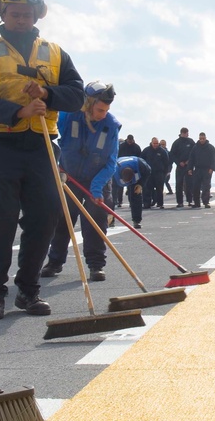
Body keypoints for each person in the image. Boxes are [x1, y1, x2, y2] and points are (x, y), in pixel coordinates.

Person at [0, 0, 85, 320]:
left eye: (27, 14)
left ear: (37, 16)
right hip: (1, 147)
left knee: (45, 218)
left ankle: (29, 291)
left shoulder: (56, 53)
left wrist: (47, 94)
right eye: (14, 13)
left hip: (42, 147)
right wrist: (17, 111)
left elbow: (76, 96)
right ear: (2, 13)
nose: (21, 19)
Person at [40, 81, 119, 282]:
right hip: (69, 177)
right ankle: (55, 262)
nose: (102, 114)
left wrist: (96, 188)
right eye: (99, 109)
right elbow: (49, 136)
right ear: (88, 103)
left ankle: (96, 266)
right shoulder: (68, 116)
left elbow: (111, 163)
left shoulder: (110, 126)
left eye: (106, 110)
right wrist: (57, 164)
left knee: (95, 221)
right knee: (63, 219)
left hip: (98, 180)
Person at [116, 156, 151, 228]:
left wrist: (141, 184)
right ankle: (110, 220)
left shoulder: (142, 166)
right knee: (111, 198)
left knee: (136, 196)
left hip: (136, 171)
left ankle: (136, 221)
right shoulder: (114, 172)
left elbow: (147, 172)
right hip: (119, 172)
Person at [188, 132, 215, 208]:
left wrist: (212, 168)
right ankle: (196, 203)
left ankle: (206, 202)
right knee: (196, 187)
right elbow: (191, 159)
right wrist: (190, 168)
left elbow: (213, 159)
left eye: (203, 139)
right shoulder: (195, 147)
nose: (201, 140)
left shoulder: (210, 147)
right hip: (197, 169)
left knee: (206, 187)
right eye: (200, 139)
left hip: (207, 170)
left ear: (205, 138)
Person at [141, 135, 171, 209]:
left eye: (156, 143)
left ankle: (160, 204)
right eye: (154, 143)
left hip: (159, 173)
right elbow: (141, 160)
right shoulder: (146, 150)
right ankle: (146, 203)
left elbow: (166, 162)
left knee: (159, 189)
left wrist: (165, 172)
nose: (155, 145)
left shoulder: (162, 151)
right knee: (147, 189)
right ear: (151, 143)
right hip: (149, 173)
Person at [170, 128, 196, 207]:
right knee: (179, 184)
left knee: (189, 184)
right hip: (180, 166)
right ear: (182, 133)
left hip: (189, 166)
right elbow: (172, 155)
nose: (186, 134)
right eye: (185, 133)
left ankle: (190, 200)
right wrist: (178, 162)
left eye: (187, 133)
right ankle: (180, 202)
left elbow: (195, 152)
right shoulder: (176, 143)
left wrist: (190, 161)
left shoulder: (191, 142)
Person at [115, 134, 143, 207]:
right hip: (121, 167)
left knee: (131, 186)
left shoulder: (136, 147)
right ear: (127, 139)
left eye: (131, 141)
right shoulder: (121, 146)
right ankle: (119, 201)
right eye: (129, 141)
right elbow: (116, 155)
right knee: (120, 185)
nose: (130, 142)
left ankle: (131, 202)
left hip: (133, 168)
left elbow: (140, 158)